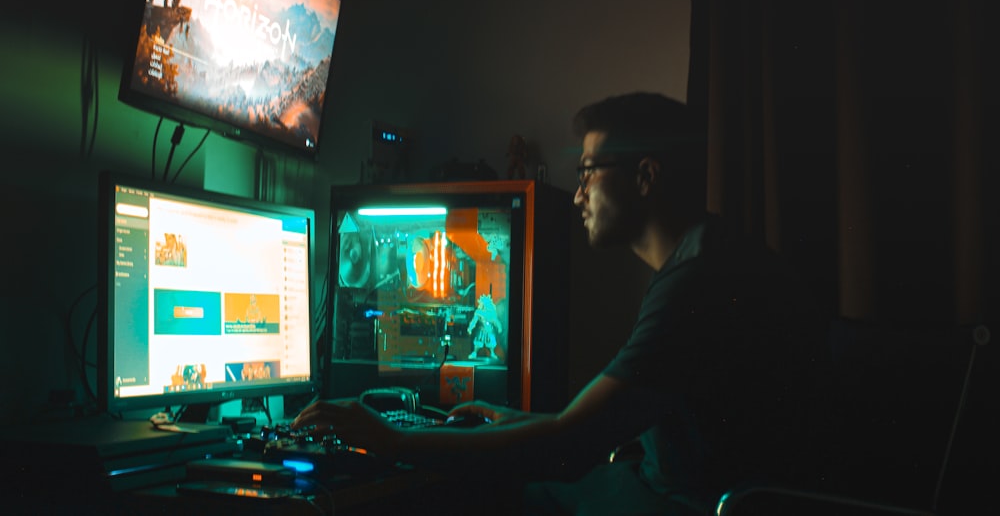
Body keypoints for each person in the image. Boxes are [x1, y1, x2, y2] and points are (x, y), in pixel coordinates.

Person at [292, 92, 829, 515]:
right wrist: (514, 420)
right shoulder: (704, 258)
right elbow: (591, 424)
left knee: (461, 499)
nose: (577, 196)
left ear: (646, 176)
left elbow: (568, 448)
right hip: (663, 489)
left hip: (684, 505)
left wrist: (390, 438)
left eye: (588, 173)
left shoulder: (699, 280)